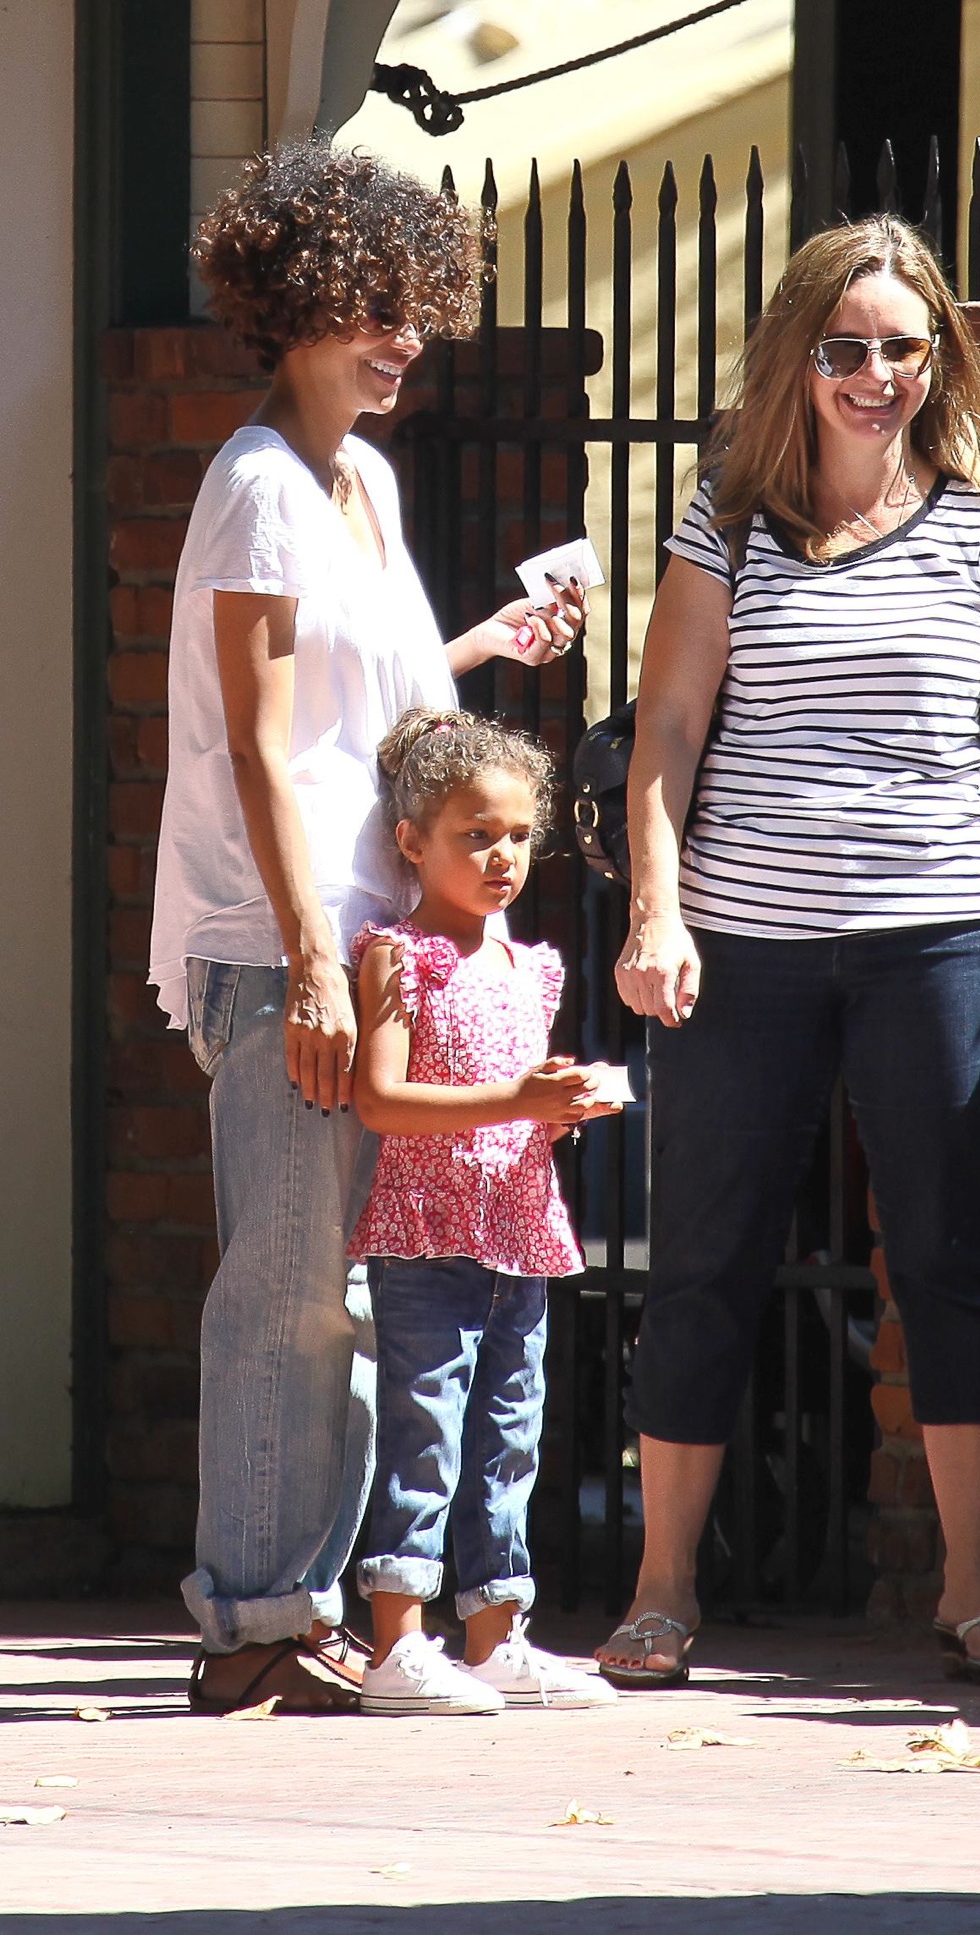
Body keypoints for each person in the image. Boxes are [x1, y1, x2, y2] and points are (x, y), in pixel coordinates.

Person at [596, 215, 980, 1691]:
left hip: (942, 936)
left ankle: (974, 1586)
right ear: (796, 358)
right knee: (703, 1256)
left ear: (938, 359)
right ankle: (660, 1590)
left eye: (903, 347)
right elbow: (666, 730)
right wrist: (655, 911)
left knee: (948, 1255)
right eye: (845, 349)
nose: (877, 376)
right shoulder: (729, 521)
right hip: (742, 941)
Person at [148, 142, 586, 1715]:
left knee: (340, 1286)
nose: (404, 339)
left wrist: (487, 642)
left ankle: (302, 1609)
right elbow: (259, 746)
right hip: (290, 948)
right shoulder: (259, 483)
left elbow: (379, 712)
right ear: (294, 306)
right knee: (290, 1288)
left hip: (362, 944)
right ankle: (255, 1623)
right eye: (371, 309)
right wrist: (315, 964)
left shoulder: (367, 485)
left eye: (417, 310)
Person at [350, 709, 619, 1714]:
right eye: (475, 835)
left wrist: (558, 1108)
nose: (502, 855)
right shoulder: (397, 954)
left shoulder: (529, 966)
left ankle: (497, 1635)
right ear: (411, 840)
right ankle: (397, 1642)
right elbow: (381, 1100)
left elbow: (513, 1099)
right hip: (426, 1234)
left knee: (510, 1436)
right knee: (424, 1431)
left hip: (518, 1228)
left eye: (516, 834)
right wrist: (517, 1099)